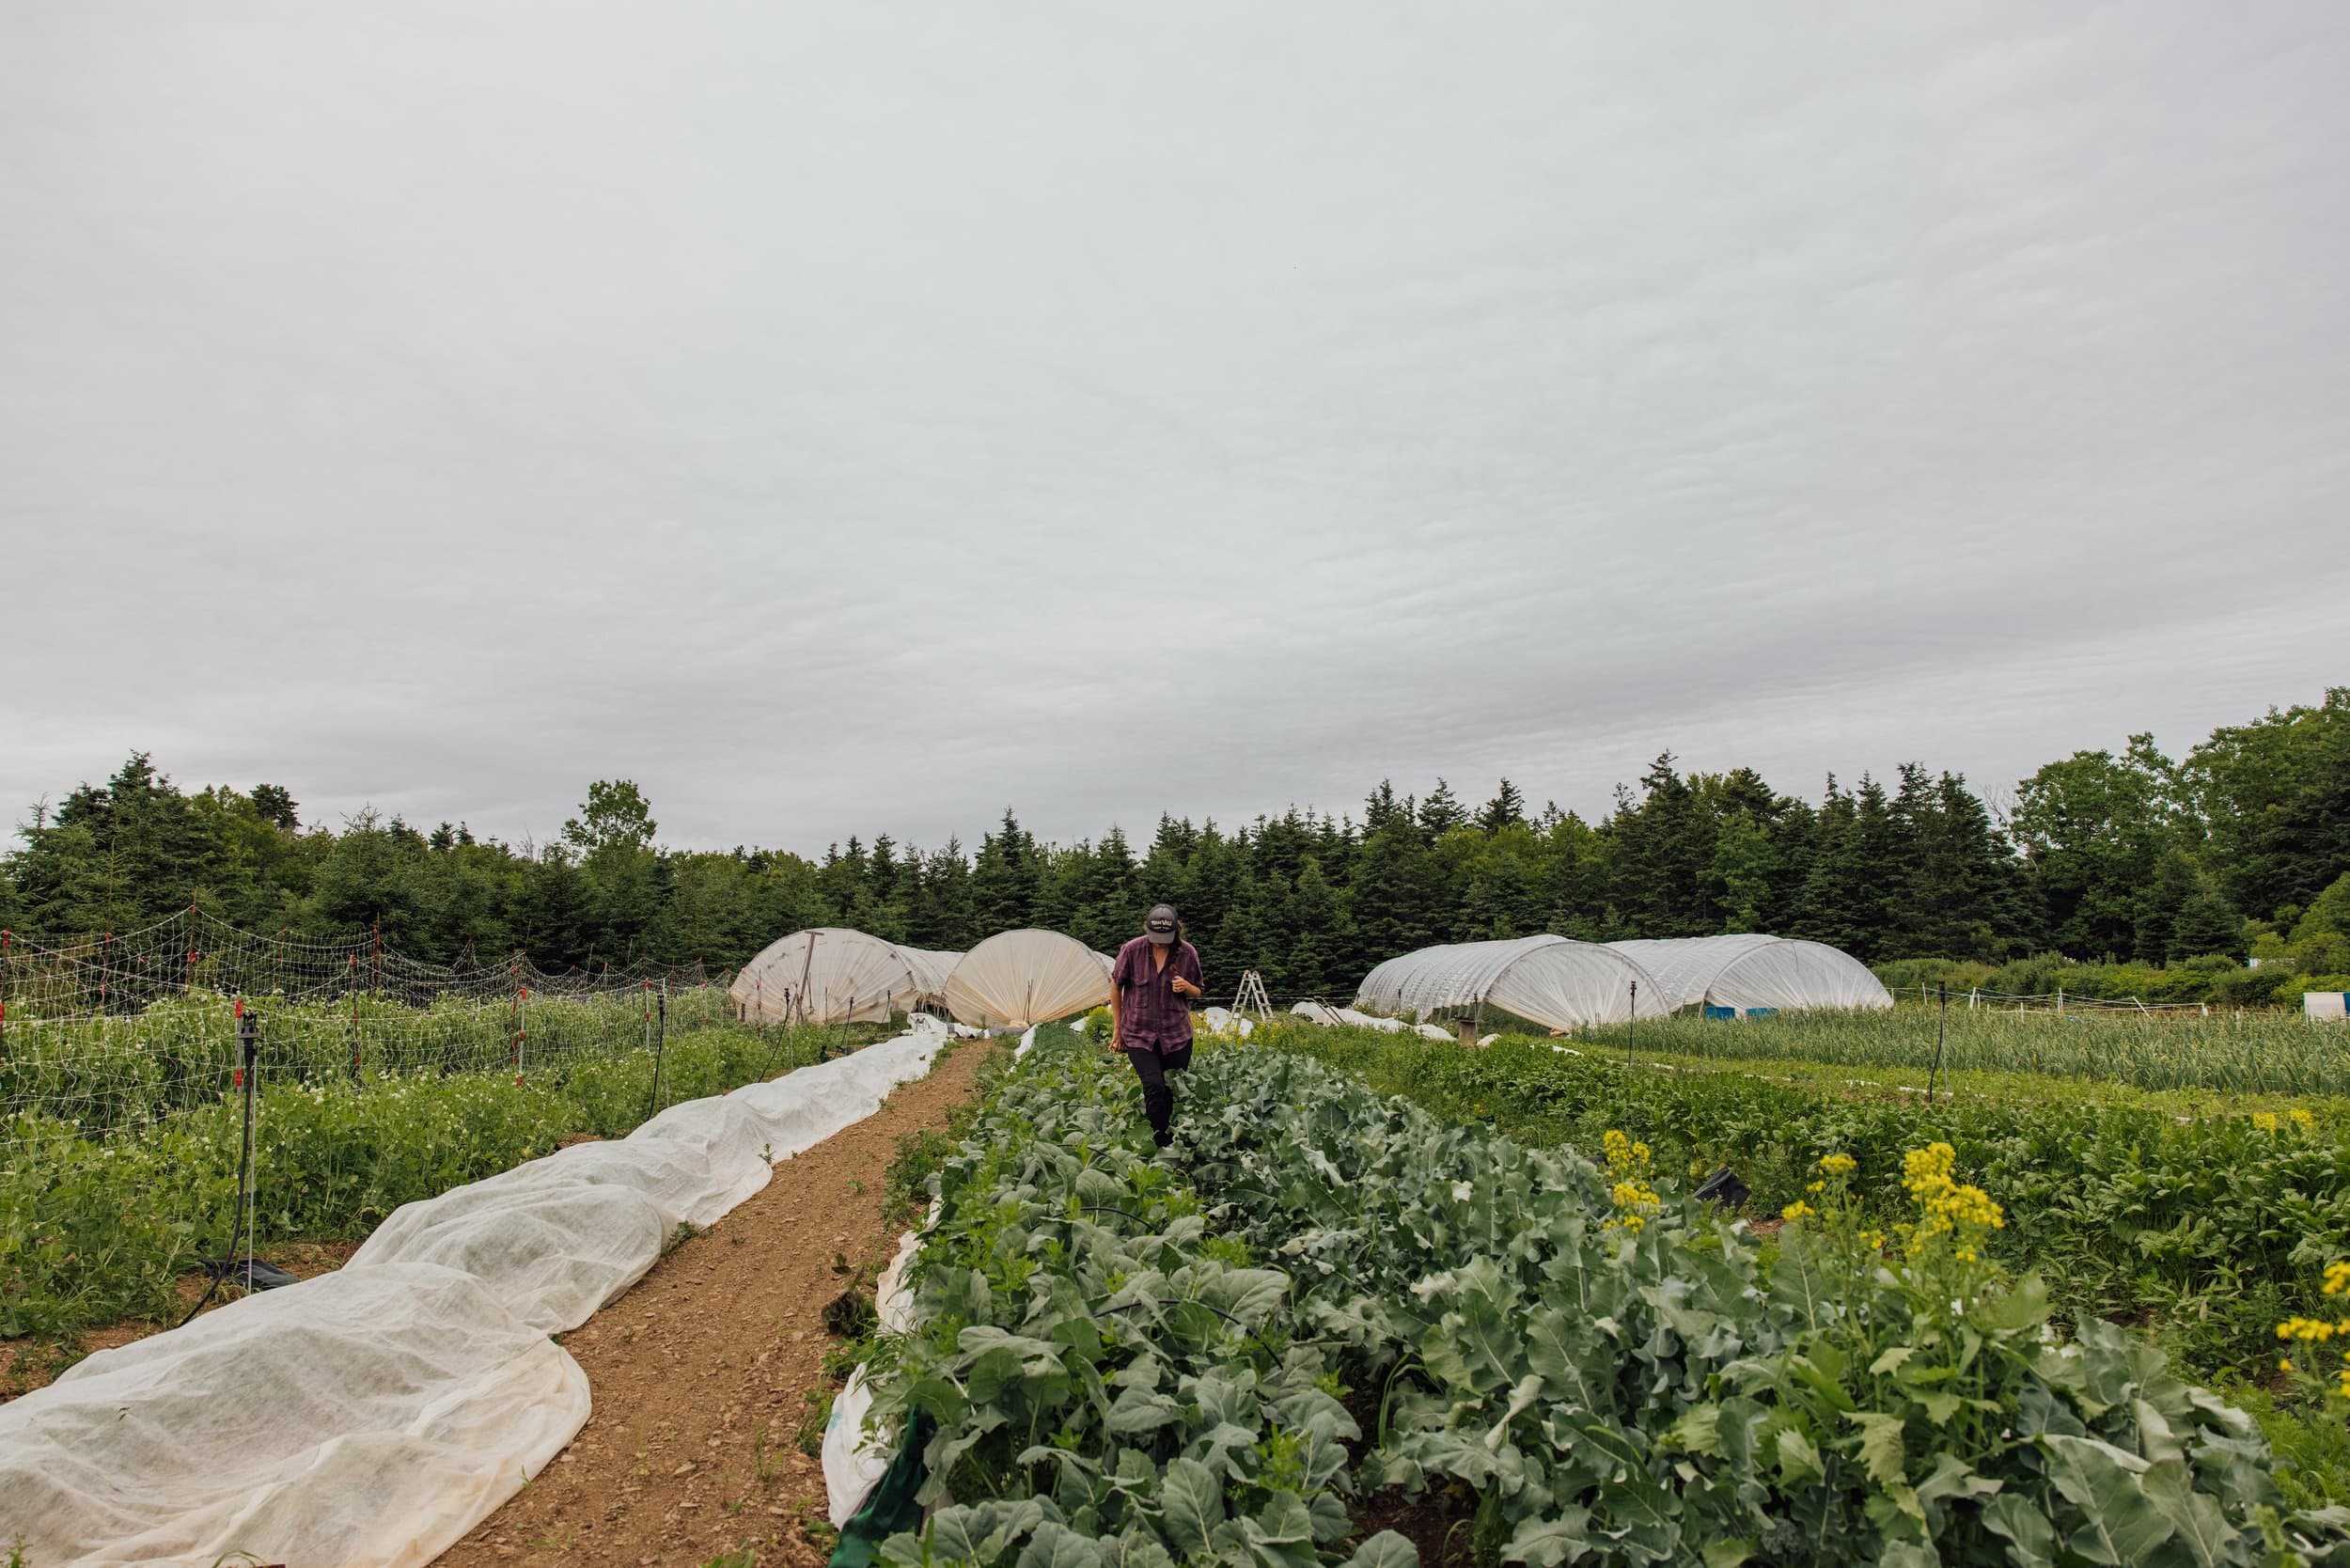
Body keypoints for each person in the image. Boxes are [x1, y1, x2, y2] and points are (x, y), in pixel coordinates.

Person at [1107, 903, 1204, 1147]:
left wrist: (1186, 987)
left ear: (1176, 932)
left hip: (1177, 1035)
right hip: (1138, 1033)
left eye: (1165, 938)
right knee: (1153, 1086)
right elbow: (1116, 986)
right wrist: (1117, 1029)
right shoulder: (1131, 950)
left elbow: (1198, 991)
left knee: (1170, 1089)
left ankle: (1174, 1139)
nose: (1160, 943)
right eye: (1156, 938)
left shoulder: (1187, 953)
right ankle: (1157, 1142)